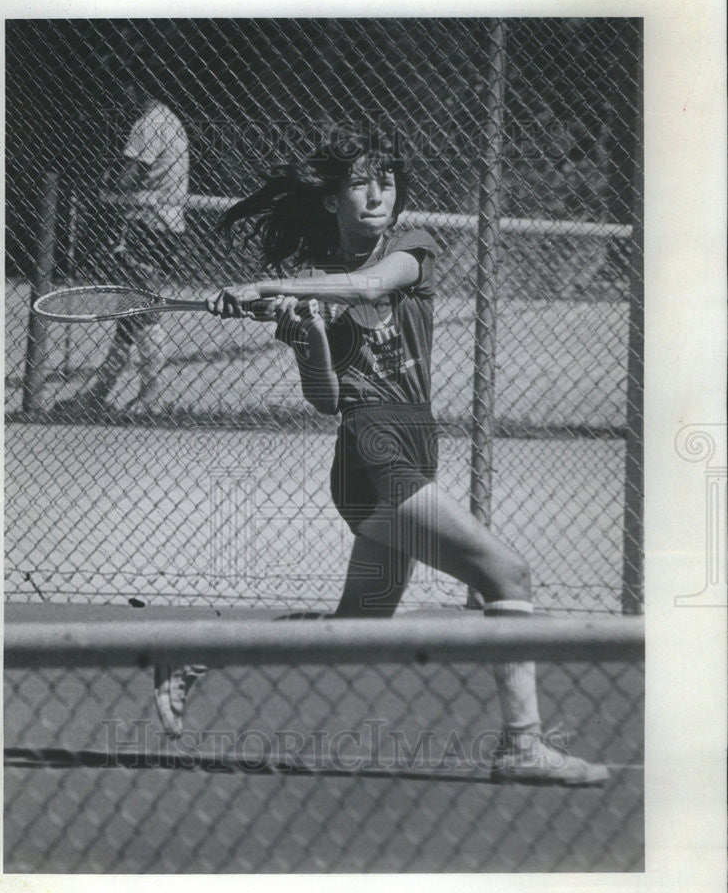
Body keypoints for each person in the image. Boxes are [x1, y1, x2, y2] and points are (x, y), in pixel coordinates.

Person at [155, 126, 608, 786]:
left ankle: (198, 650)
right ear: (334, 200)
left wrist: (265, 291)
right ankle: (521, 746)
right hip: (368, 451)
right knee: (507, 576)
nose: (376, 194)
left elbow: (369, 288)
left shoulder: (410, 251)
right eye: (360, 182)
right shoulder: (314, 293)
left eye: (387, 182)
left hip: (411, 444)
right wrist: (307, 335)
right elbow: (325, 398)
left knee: (358, 627)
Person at [60, 61, 190, 416]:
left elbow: (128, 178)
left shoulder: (148, 124)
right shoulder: (166, 118)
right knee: (129, 315)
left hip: (150, 226)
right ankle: (101, 391)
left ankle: (150, 396)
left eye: (122, 91)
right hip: (162, 225)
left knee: (142, 313)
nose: (118, 100)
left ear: (138, 88)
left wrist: (102, 182)